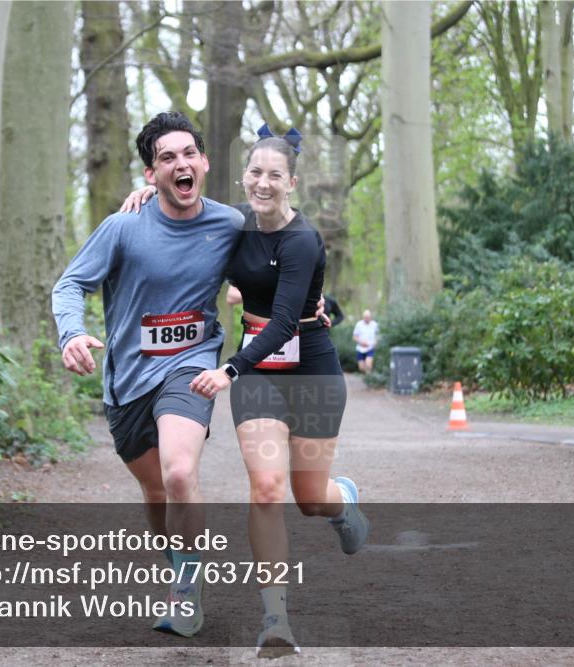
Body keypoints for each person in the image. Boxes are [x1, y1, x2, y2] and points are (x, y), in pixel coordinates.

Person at [123, 124, 369, 658]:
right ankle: (275, 619)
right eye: (255, 172)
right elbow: (187, 220)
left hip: (311, 370)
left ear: (291, 183)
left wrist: (228, 370)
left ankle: (342, 501)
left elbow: (282, 322)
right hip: (259, 379)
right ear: (243, 177)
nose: (263, 183)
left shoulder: (302, 239)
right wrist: (147, 196)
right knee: (265, 488)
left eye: (274, 175)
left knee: (308, 498)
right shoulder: (233, 224)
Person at [52, 111, 244, 638]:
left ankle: (185, 594)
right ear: (149, 174)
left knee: (180, 473)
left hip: (192, 364)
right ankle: (181, 571)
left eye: (188, 154)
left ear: (203, 162)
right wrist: (71, 332)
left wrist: (305, 300)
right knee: (157, 492)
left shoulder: (229, 224)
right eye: (166, 158)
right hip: (128, 380)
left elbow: (280, 255)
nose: (180, 164)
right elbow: (70, 286)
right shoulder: (123, 227)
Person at [353, 309, 380, 374]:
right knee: (361, 368)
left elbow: (378, 335)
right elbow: (354, 337)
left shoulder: (375, 324)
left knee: (368, 364)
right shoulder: (359, 324)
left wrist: (376, 343)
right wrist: (361, 342)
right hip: (360, 348)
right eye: (365, 317)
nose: (367, 318)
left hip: (370, 347)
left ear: (370, 317)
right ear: (363, 317)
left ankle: (369, 378)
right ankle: (366, 376)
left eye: (368, 317)